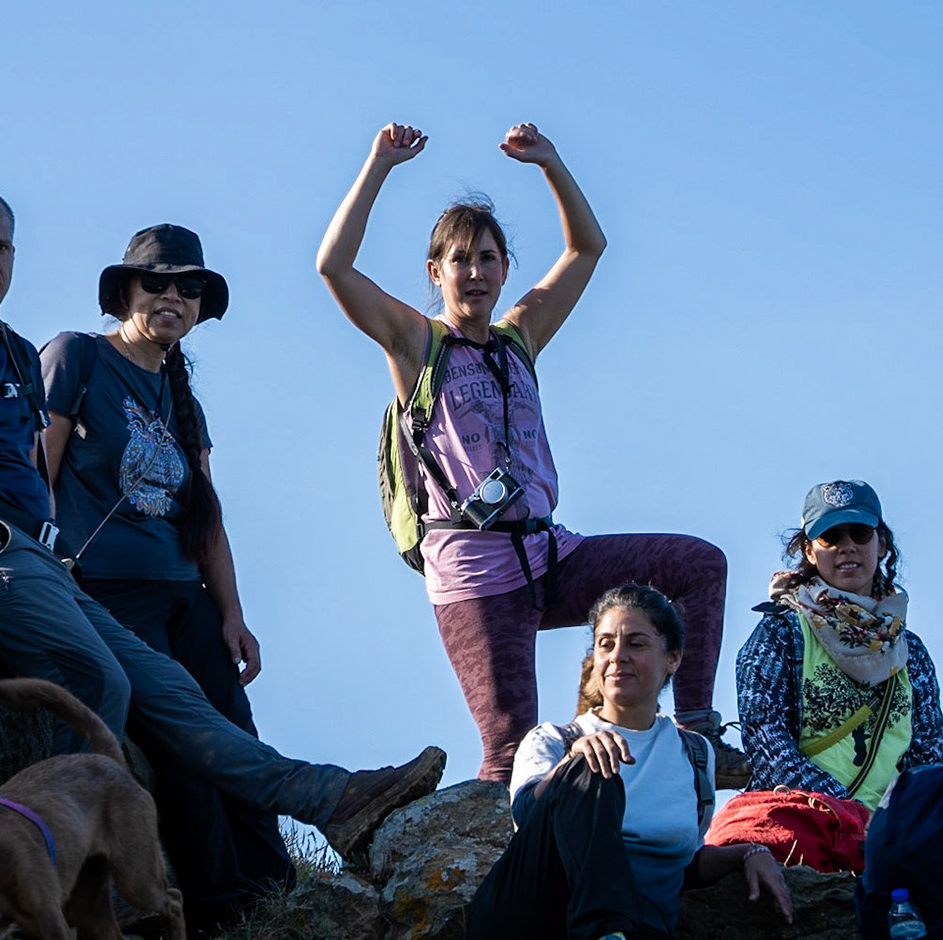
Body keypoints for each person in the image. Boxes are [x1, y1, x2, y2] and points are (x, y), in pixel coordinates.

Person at [0, 185, 442, 863]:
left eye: (0, 247)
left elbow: (43, 477)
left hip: (35, 555)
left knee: (171, 688)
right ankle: (46, 872)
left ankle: (331, 798)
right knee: (98, 679)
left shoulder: (12, 351)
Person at [317, 122, 743, 787]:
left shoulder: (520, 336)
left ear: (505, 268)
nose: (476, 272)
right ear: (436, 272)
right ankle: (493, 874)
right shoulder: (417, 345)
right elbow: (334, 267)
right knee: (512, 758)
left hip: (551, 552)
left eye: (488, 258)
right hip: (475, 574)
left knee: (698, 565)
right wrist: (378, 164)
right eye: (460, 260)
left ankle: (694, 739)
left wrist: (550, 162)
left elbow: (587, 246)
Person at [36, 224, 294, 937]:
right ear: (125, 292)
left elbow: (207, 522)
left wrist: (234, 616)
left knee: (237, 737)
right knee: (184, 747)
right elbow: (39, 473)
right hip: (108, 591)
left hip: (190, 598)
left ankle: (275, 892)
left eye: (190, 288)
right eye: (157, 283)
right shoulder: (77, 357)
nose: (174, 297)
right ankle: (215, 909)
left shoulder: (185, 399)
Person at [466, 585, 792, 940]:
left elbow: (679, 863)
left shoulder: (695, 755)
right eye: (606, 644)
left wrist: (746, 852)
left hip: (641, 937)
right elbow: (528, 816)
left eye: (636, 643)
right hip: (531, 923)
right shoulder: (555, 739)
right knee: (595, 775)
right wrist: (572, 764)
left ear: (672, 659)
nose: (618, 655)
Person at [734, 479, 943, 809]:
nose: (846, 546)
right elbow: (765, 737)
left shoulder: (911, 652)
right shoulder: (780, 632)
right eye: (830, 537)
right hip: (801, 835)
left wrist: (895, 826)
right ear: (809, 551)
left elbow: (929, 756)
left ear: (882, 544)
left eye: (859, 533)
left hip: (886, 844)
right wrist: (845, 810)